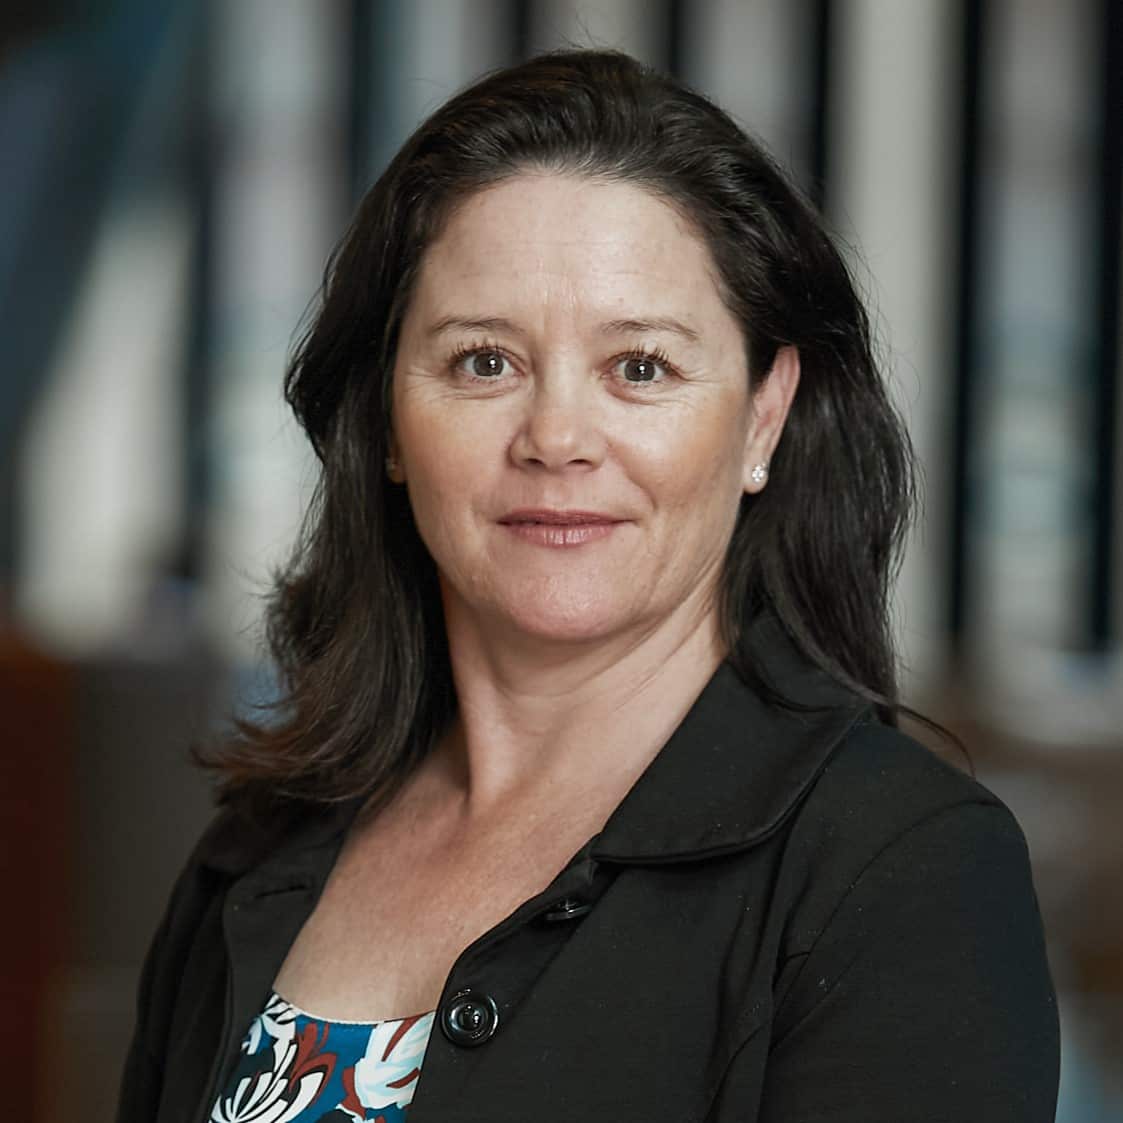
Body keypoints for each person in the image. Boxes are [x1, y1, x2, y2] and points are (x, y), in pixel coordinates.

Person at [117, 49, 1060, 1123]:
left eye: (639, 368)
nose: (556, 437)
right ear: (385, 417)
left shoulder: (901, 869)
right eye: (483, 361)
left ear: (763, 417)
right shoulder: (261, 847)